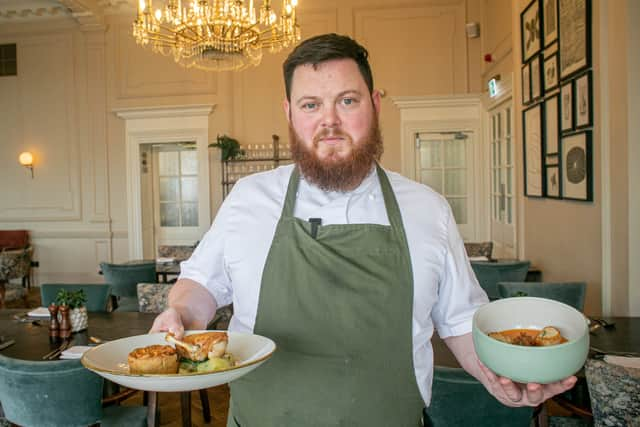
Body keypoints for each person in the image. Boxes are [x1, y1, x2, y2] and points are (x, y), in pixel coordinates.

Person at [151, 33, 576, 426]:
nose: (329, 121)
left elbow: (460, 320)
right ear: (289, 113)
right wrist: (181, 315)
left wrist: (502, 376)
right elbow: (201, 282)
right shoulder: (249, 198)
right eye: (310, 104)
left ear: (373, 103)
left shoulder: (427, 209)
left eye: (347, 101)